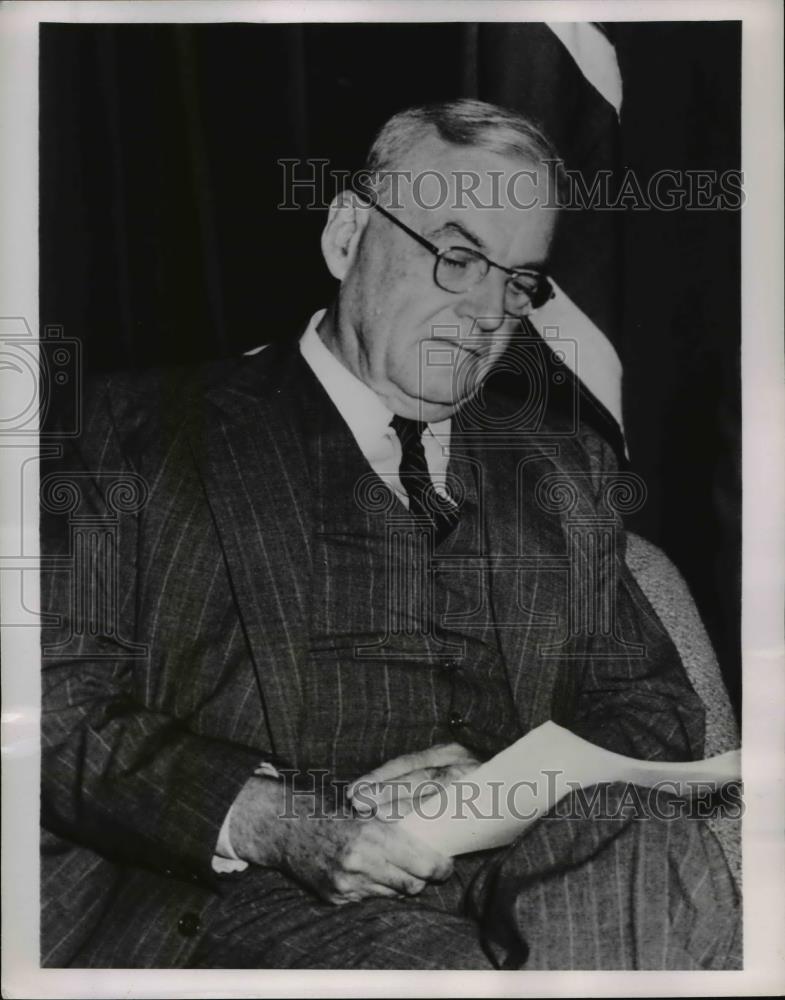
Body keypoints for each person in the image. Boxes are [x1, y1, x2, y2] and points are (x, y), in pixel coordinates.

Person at [40, 99, 741, 970]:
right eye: (457, 257)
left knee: (653, 857)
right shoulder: (133, 431)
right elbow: (50, 702)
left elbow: (653, 705)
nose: (488, 312)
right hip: (255, 895)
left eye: (518, 281)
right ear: (347, 237)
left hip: (533, 868)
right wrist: (273, 819)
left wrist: (503, 783)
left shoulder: (561, 467)